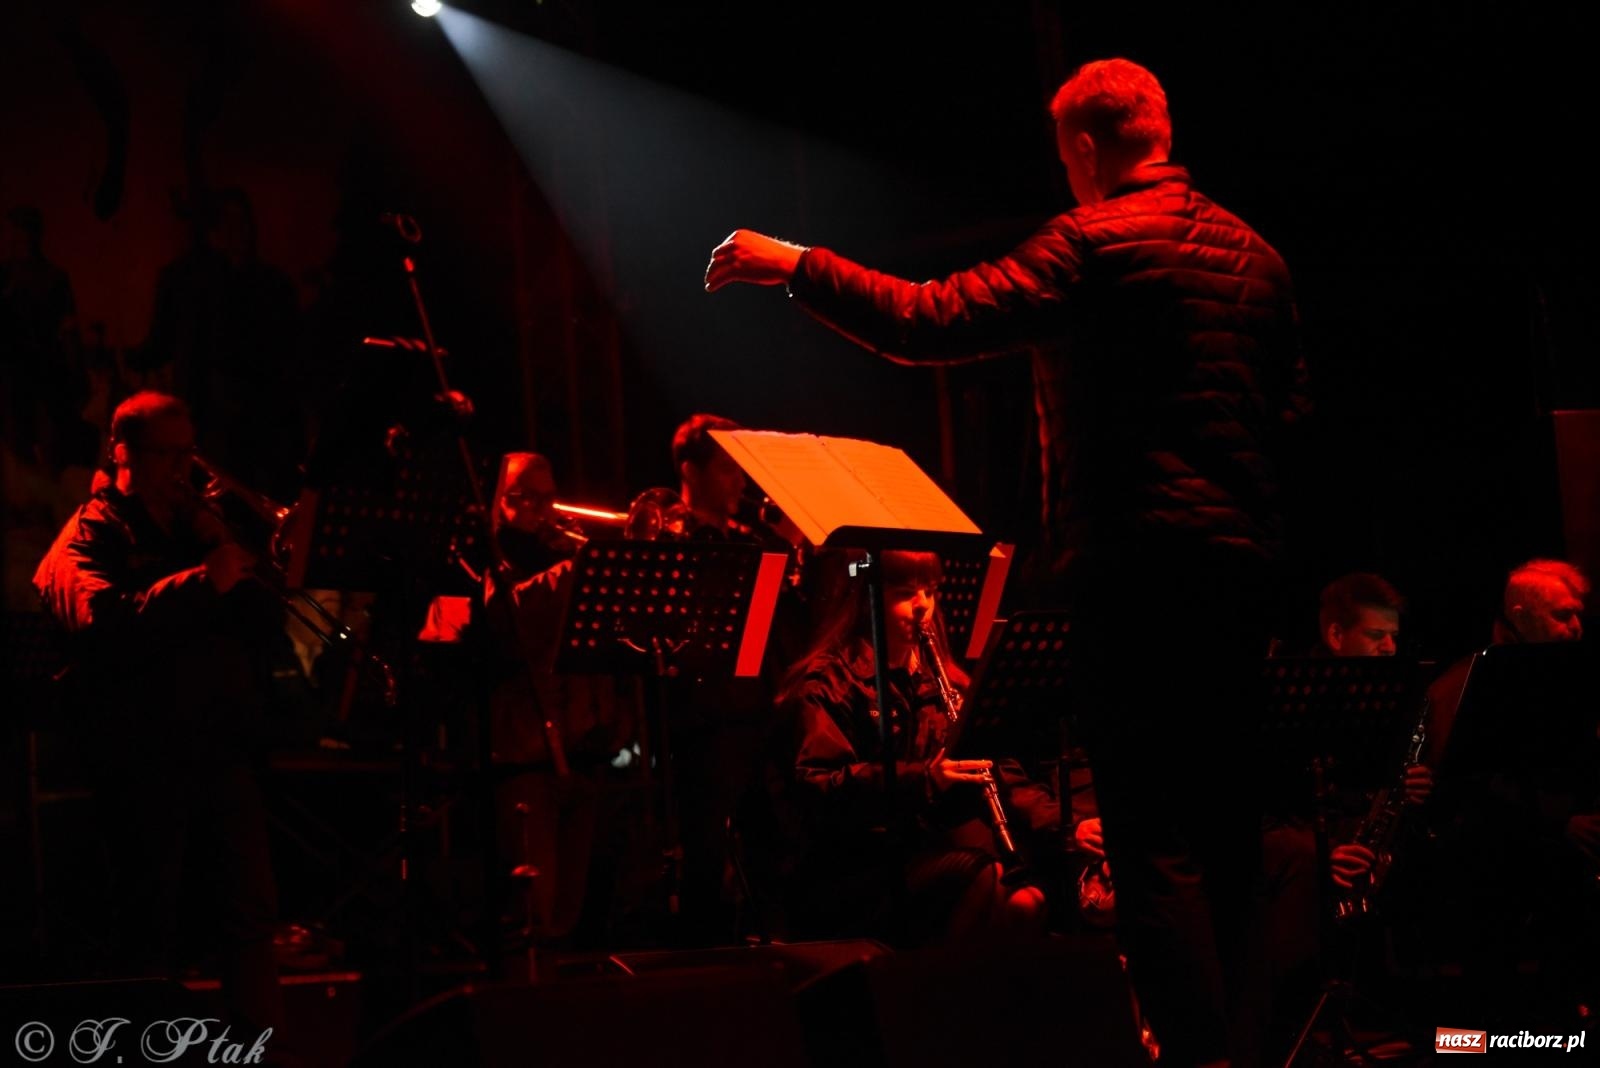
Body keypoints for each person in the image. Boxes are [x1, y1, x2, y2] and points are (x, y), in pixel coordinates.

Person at [707, 57, 1307, 1065]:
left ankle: (1197, 1053)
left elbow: (929, 318)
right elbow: (1291, 421)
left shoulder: (1093, 241)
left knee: (1151, 841)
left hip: (1134, 573)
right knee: (1233, 833)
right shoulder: (1260, 258)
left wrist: (797, 261)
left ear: (1080, 147)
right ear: (1159, 128)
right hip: (1241, 575)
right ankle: (1254, 1047)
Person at [31, 390, 285, 1039]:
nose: (181, 470)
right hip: (145, 759)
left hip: (220, 747)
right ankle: (139, 1049)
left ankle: (258, 1048)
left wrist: (229, 550)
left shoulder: (193, 526)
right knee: (149, 922)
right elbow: (100, 620)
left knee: (249, 916)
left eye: (187, 454)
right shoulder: (91, 532)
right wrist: (202, 580)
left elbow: (262, 626)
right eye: (166, 454)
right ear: (122, 453)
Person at [740, 549, 1049, 947]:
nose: (924, 607)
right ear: (866, 599)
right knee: (979, 879)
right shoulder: (827, 683)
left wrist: (1062, 824)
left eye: (931, 591)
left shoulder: (940, 682)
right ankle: (932, 994)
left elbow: (994, 768)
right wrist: (925, 780)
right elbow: (819, 788)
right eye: (906, 593)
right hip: (848, 868)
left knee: (1032, 896)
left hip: (915, 850)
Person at [478, 451, 638, 959]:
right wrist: (578, 569)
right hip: (526, 752)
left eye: (547, 497)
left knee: (570, 914)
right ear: (500, 500)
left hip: (584, 747)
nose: (540, 508)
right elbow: (505, 622)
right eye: (526, 497)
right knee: (532, 913)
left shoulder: (559, 552)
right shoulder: (488, 551)